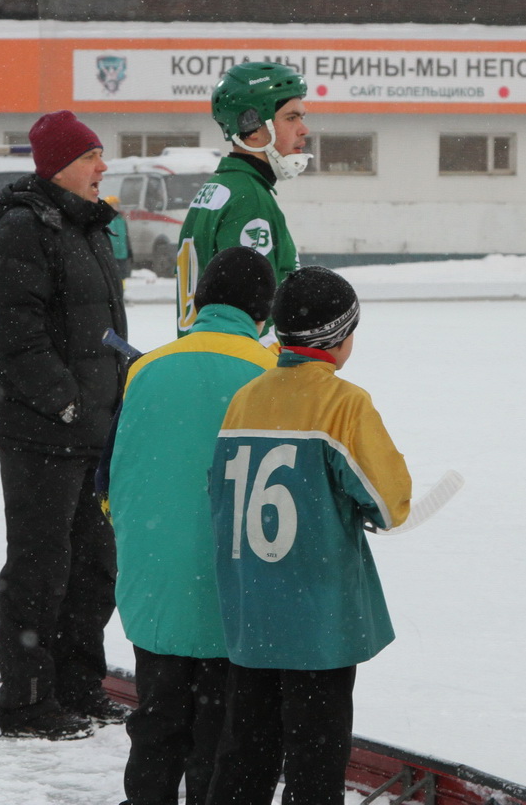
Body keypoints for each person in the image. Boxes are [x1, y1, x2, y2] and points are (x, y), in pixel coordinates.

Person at [205, 267, 412, 805]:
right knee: (315, 759)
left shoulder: (246, 397)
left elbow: (218, 491)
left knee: (246, 749)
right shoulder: (343, 403)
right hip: (317, 620)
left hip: (252, 608)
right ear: (340, 338)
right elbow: (390, 502)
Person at [0, 110, 128, 740]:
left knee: (94, 566)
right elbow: (13, 331)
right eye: (92, 156)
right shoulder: (24, 228)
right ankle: (28, 702)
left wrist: (123, 382)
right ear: (60, 166)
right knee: (40, 568)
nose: (103, 167)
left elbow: (96, 330)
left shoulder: (87, 225)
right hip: (39, 429)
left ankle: (78, 685)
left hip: (91, 427)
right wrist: (66, 402)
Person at [109, 247, 277, 805]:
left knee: (158, 719)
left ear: (200, 301)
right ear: (263, 311)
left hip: (156, 581)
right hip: (234, 584)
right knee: (220, 731)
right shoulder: (270, 375)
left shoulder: (146, 368)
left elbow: (112, 474)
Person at [176, 62, 310, 336]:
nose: (303, 129)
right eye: (291, 118)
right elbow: (251, 316)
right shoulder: (248, 198)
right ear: (253, 127)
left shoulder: (220, 186)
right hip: (236, 359)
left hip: (203, 352)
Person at [105, 193, 132, 281]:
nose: (116, 207)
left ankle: (122, 288)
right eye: (113, 205)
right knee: (112, 275)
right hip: (111, 254)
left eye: (117, 205)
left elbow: (126, 236)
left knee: (122, 275)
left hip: (122, 253)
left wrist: (129, 250)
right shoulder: (104, 220)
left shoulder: (121, 219)